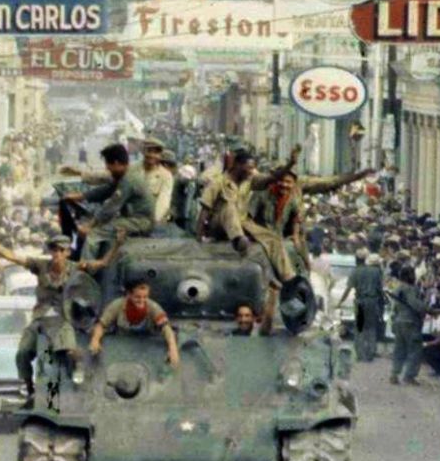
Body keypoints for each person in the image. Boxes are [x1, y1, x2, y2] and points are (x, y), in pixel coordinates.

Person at [0, 228, 117, 399]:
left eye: (61, 250)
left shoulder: (75, 268)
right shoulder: (40, 265)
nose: (57, 253)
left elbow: (102, 263)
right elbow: (12, 256)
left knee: (71, 351)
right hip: (40, 318)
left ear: (67, 252)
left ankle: (78, 371)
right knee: (22, 353)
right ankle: (29, 388)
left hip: (62, 318)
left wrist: (118, 244)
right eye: (54, 249)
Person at [196, 148, 299, 284]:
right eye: (249, 167)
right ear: (237, 165)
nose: (252, 171)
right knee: (230, 207)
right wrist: (199, 236)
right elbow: (205, 210)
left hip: (242, 222)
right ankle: (239, 240)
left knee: (272, 239)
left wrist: (290, 164)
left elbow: (272, 177)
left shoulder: (248, 181)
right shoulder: (218, 183)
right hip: (219, 224)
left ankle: (289, 278)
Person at [64, 144, 155, 258]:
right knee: (98, 225)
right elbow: (107, 190)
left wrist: (90, 225)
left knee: (93, 234)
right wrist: (81, 196)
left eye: (108, 165)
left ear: (116, 163)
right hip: (133, 219)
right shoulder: (125, 176)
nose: (108, 169)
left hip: (140, 222)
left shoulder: (129, 180)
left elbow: (111, 207)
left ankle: (85, 270)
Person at [89, 279, 179, 368]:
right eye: (137, 297)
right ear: (129, 294)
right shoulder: (117, 305)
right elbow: (101, 325)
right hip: (121, 345)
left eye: (145, 297)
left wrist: (173, 349)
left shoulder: (153, 307)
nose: (142, 300)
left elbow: (166, 328)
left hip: (146, 346)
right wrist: (95, 340)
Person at [338, 249, 385, 362]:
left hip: (360, 301)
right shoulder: (375, 271)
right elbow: (380, 289)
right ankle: (370, 353)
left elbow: (348, 289)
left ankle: (360, 354)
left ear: (356, 259)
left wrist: (340, 302)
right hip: (373, 301)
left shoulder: (355, 271)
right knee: (371, 327)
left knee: (359, 328)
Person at [390, 264, 427, 385]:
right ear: (408, 275)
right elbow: (415, 304)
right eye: (412, 274)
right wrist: (425, 308)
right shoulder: (410, 289)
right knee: (414, 350)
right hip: (410, 321)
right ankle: (409, 376)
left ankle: (394, 373)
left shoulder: (398, 288)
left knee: (399, 349)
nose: (414, 276)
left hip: (399, 319)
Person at [136, 138, 174, 224]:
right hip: (131, 217)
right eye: (149, 151)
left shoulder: (166, 176)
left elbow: (163, 201)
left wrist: (154, 221)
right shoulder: (133, 169)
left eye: (156, 152)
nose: (152, 155)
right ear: (143, 151)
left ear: (160, 155)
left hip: (151, 220)